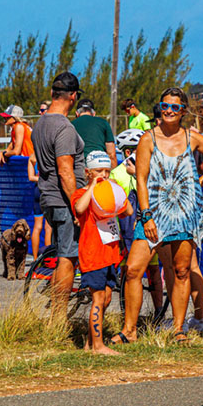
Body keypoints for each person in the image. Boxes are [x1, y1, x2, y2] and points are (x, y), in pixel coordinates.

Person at [112, 87, 203, 345]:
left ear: (183, 111)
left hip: (184, 214)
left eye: (175, 107)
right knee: (133, 269)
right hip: (155, 214)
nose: (169, 111)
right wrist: (147, 216)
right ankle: (130, 330)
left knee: (182, 270)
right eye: (165, 106)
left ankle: (179, 329)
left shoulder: (192, 137)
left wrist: (201, 181)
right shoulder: (148, 139)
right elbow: (140, 179)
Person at [32, 72, 86, 321]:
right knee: (68, 257)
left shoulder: (40, 123)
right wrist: (77, 205)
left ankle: (55, 311)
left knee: (61, 253)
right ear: (73, 96)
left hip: (48, 196)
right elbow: (65, 171)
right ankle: (59, 319)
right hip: (64, 201)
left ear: (53, 93)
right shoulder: (64, 127)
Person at [72, 151, 133, 355]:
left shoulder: (108, 192)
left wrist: (116, 190)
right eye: (99, 171)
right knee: (98, 298)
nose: (103, 175)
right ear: (87, 172)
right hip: (93, 254)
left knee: (106, 298)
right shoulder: (81, 194)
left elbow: (128, 211)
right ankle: (98, 346)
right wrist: (92, 187)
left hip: (110, 253)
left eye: (107, 171)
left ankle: (91, 343)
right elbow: (79, 209)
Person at [111, 128, 165, 319]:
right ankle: (153, 313)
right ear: (129, 152)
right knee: (147, 272)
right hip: (135, 230)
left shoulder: (119, 172)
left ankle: (135, 315)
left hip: (138, 230)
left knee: (137, 272)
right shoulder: (118, 173)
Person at [72, 99, 117, 167]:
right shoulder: (103, 123)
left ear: (77, 113)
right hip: (99, 165)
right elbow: (111, 154)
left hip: (79, 166)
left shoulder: (71, 125)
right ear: (94, 113)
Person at [28, 152, 52, 260]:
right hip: (47, 191)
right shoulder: (48, 153)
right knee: (48, 227)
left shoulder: (32, 157)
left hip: (37, 190)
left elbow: (31, 177)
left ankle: (35, 258)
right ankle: (48, 258)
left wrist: (39, 179)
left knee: (37, 226)